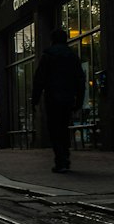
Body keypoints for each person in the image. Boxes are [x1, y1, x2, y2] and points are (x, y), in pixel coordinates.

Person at [32, 27, 86, 173]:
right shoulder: (72, 56)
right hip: (68, 97)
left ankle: (60, 159)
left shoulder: (48, 56)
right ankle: (65, 156)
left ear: (53, 40)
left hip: (53, 98)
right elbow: (80, 79)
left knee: (55, 129)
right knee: (64, 127)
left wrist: (35, 99)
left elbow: (39, 79)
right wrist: (79, 100)